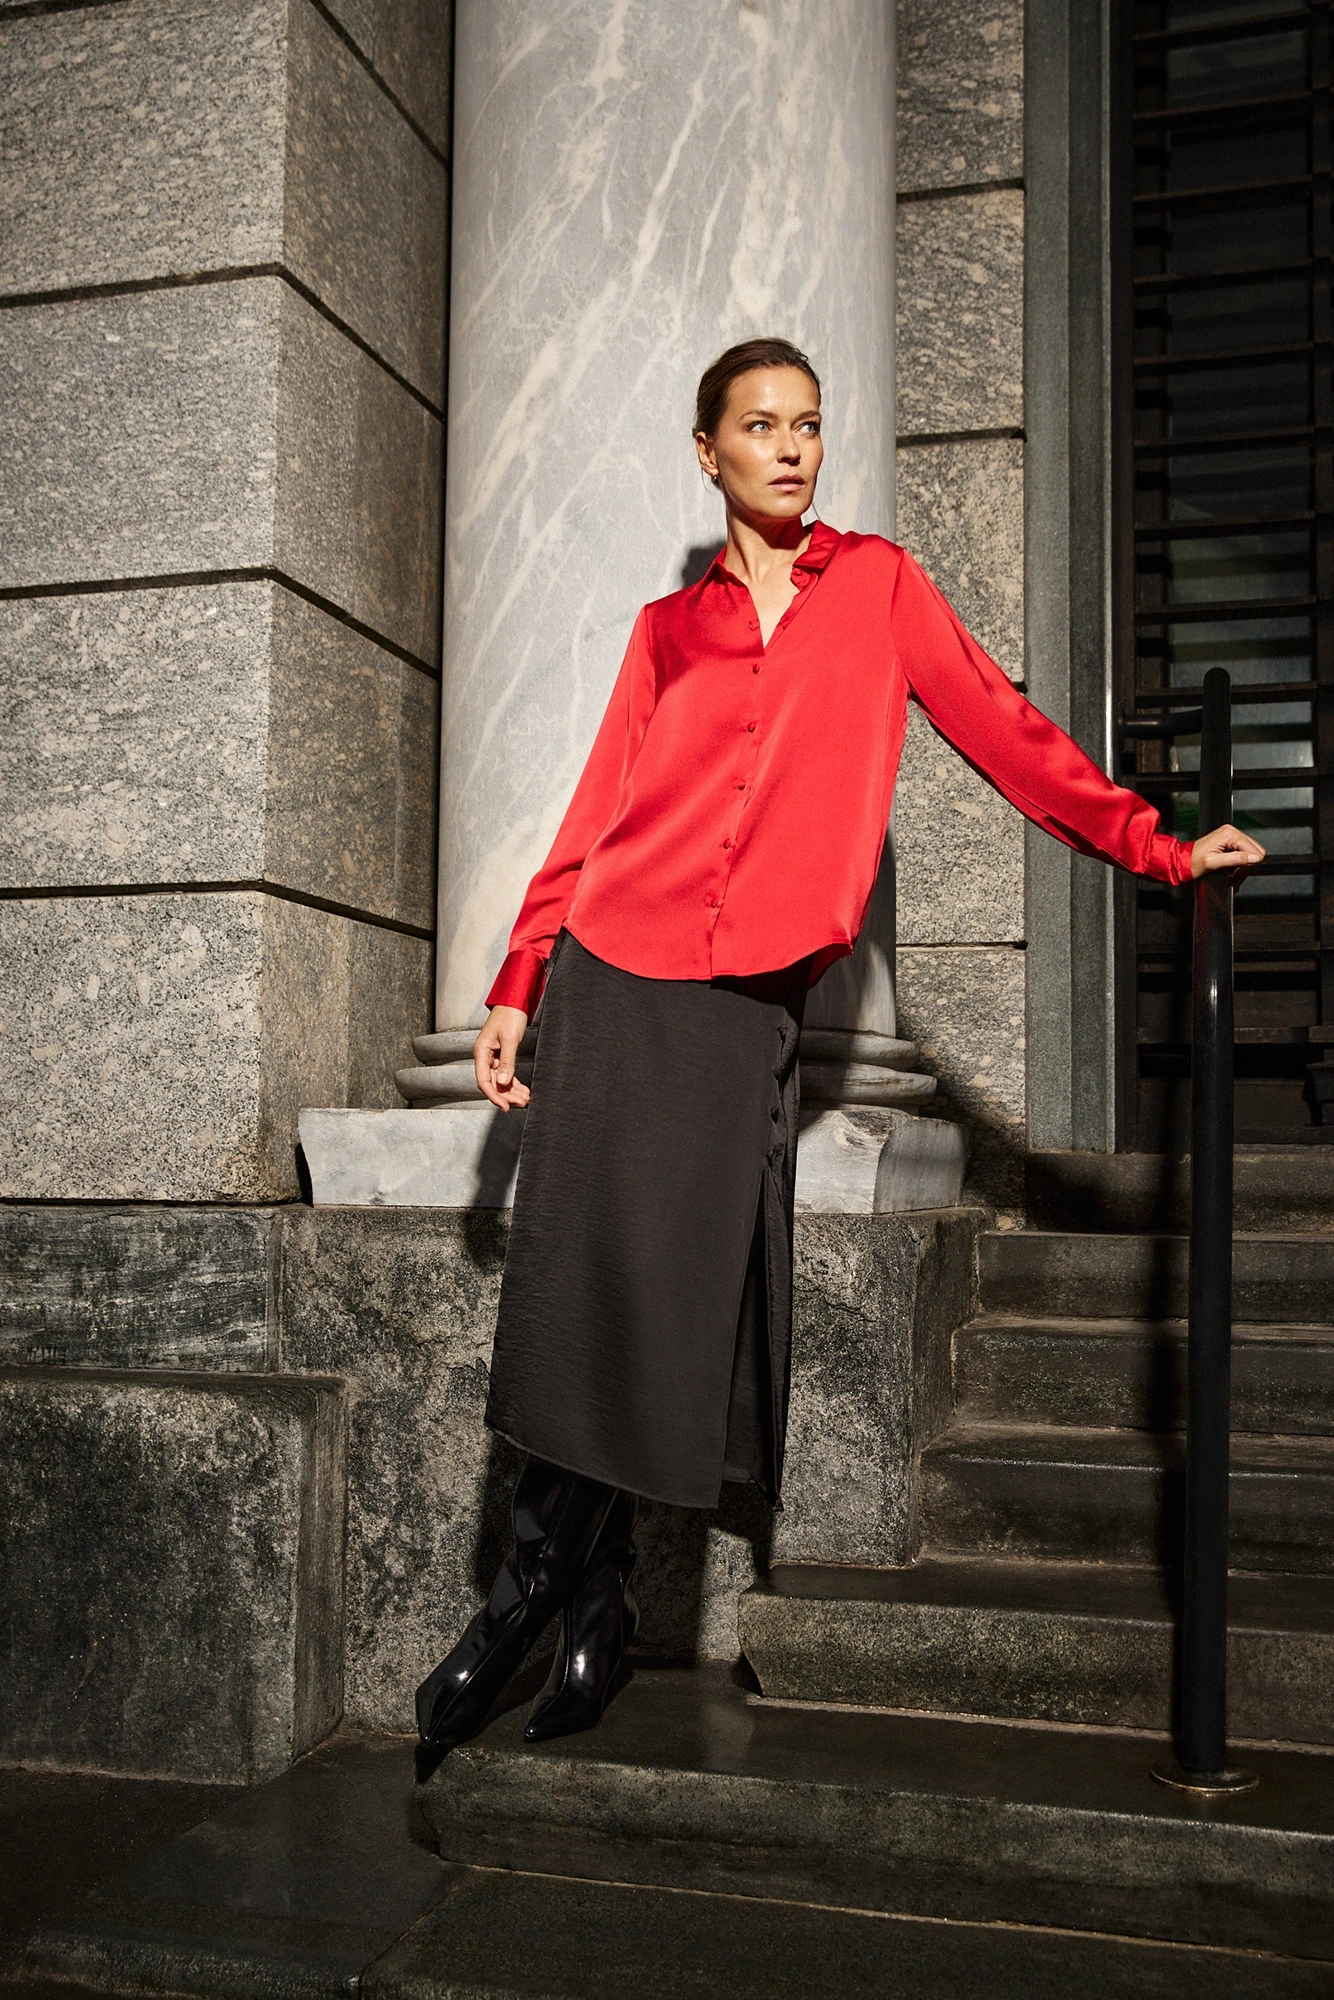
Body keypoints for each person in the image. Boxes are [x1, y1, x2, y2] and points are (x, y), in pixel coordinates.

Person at [415, 336, 1265, 1759]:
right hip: (613, 973)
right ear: (708, 452)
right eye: (760, 426)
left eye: (808, 424)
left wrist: (1158, 848)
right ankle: (563, 1602)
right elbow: (596, 813)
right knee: (582, 1290)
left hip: (741, 998)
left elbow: (1006, 733)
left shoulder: (877, 587)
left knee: (667, 1296)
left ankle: (544, 1595)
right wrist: (518, 979)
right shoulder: (666, 631)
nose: (792, 448)